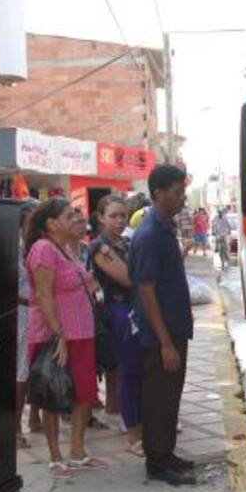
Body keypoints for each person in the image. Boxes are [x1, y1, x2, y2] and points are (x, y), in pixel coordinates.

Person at [24, 198, 109, 480]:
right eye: (69, 215)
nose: (77, 218)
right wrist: (58, 334)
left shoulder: (69, 249)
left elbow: (86, 283)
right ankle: (55, 457)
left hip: (82, 333)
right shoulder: (43, 250)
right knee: (53, 394)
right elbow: (44, 295)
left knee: (83, 393)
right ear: (51, 223)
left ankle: (77, 452)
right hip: (55, 335)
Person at [129, 165, 196, 486]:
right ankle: (156, 461)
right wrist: (165, 342)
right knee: (158, 398)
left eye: (182, 192)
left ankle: (166, 453)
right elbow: (146, 289)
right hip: (161, 335)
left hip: (175, 329)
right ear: (158, 193)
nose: (182, 198)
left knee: (170, 396)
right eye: (176, 192)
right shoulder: (150, 233)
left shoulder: (165, 228)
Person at [89, 194, 145, 457]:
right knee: (129, 370)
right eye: (113, 216)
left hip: (133, 310)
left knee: (137, 371)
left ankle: (138, 426)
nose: (120, 221)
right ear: (100, 218)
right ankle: (133, 434)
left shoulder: (125, 242)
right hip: (118, 313)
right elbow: (128, 279)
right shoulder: (100, 248)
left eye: (123, 215)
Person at [15, 198, 41, 448]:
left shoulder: (38, 246)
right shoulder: (13, 246)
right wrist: (34, 301)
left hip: (37, 313)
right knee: (21, 372)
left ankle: (35, 417)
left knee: (36, 367)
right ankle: (15, 429)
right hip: (22, 314)